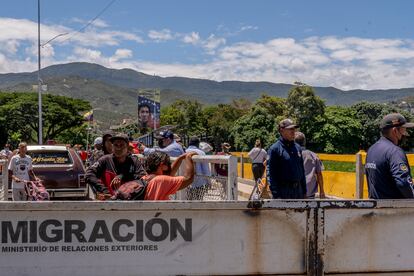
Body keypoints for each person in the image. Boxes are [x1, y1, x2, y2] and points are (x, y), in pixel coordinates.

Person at [365, 113, 414, 199]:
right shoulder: (394, 152)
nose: (405, 134)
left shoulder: (372, 149)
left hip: (377, 208)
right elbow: (403, 182)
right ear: (395, 131)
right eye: (403, 130)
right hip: (394, 209)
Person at [85, 133, 147, 200]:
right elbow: (89, 174)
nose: (118, 148)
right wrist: (103, 189)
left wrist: (123, 176)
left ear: (127, 147)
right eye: (115, 145)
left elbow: (143, 177)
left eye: (121, 145)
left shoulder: (134, 162)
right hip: (107, 202)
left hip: (129, 203)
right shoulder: (105, 160)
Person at [266, 119, 306, 199]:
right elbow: (271, 173)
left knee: (299, 212)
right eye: (290, 129)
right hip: (283, 192)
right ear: (282, 130)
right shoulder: (275, 149)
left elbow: (302, 170)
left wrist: (304, 191)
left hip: (298, 191)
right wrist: (276, 194)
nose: (293, 131)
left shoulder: (297, 148)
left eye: (294, 129)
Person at [294, 132, 325, 199]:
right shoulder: (313, 155)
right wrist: (322, 191)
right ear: (304, 142)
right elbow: (319, 174)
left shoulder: (290, 155)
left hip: (294, 192)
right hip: (309, 192)